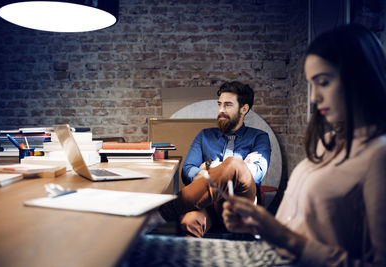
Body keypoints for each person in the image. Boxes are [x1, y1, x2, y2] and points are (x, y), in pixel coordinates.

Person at [221, 23, 386, 266]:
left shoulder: (378, 156)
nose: (313, 97)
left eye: (324, 82)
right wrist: (259, 225)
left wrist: (282, 236)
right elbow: (302, 227)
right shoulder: (326, 143)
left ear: (359, 78)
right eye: (312, 84)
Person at [147, 81, 271, 238]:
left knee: (234, 164)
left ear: (244, 109)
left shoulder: (259, 137)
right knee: (189, 222)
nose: (221, 110)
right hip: (207, 204)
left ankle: (160, 215)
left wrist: (212, 168)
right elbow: (187, 171)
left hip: (241, 205)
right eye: (219, 104)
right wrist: (225, 168)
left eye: (227, 105)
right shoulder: (205, 135)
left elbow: (256, 174)